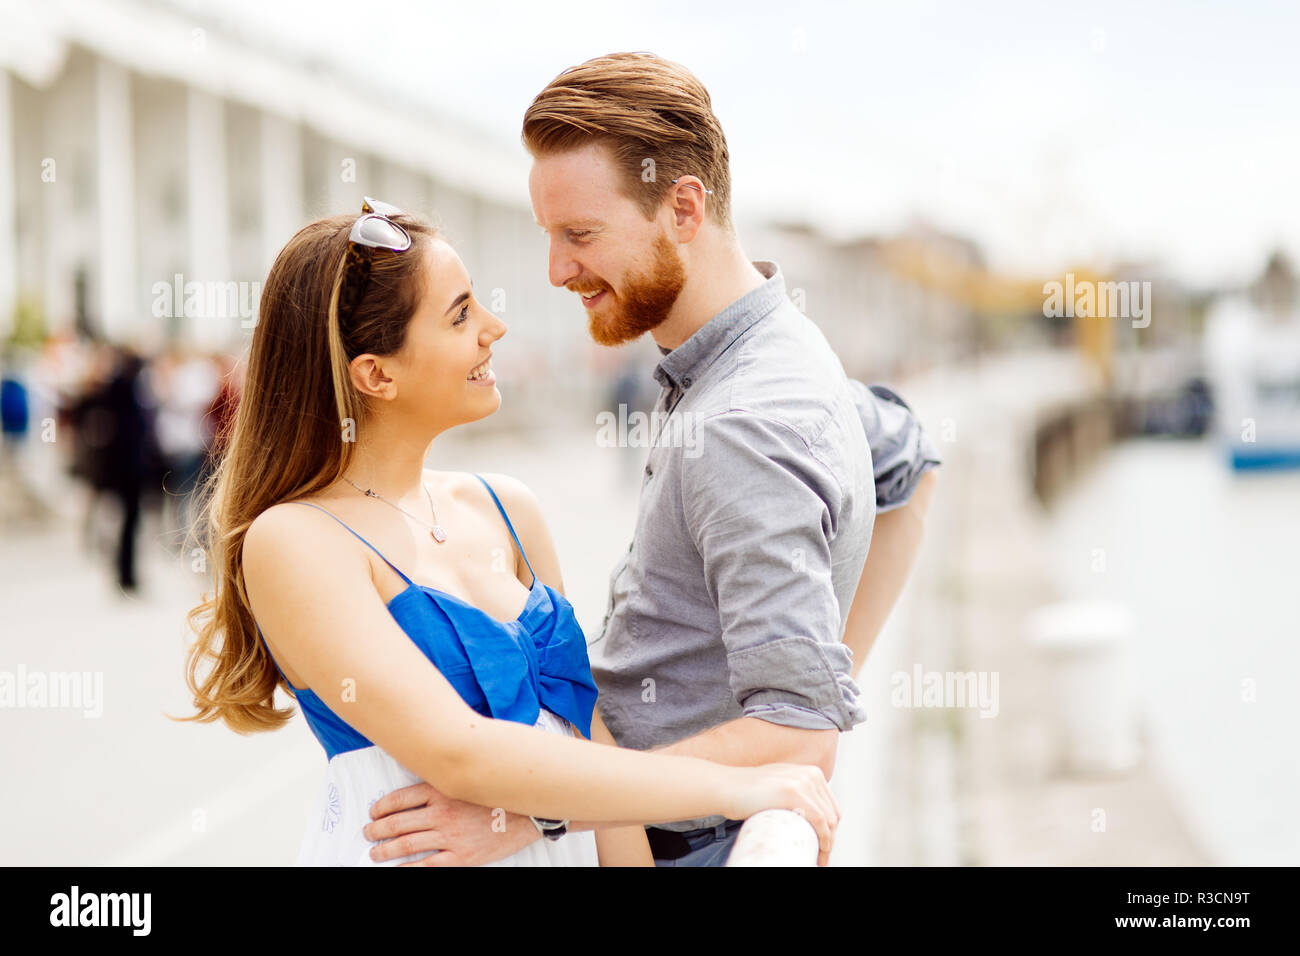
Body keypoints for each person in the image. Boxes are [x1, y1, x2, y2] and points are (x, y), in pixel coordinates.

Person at [365, 52, 941, 867]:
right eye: (550, 236)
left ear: (683, 206)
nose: (558, 269)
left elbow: (801, 737)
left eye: (581, 235)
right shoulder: (776, 350)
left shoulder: (745, 420)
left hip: (678, 846)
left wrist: (544, 815)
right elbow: (911, 460)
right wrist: (824, 661)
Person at [178, 198, 840, 867]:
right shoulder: (296, 539)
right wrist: (737, 786)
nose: (494, 328)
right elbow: (458, 751)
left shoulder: (506, 508)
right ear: (376, 374)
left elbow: (591, 738)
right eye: (461, 313)